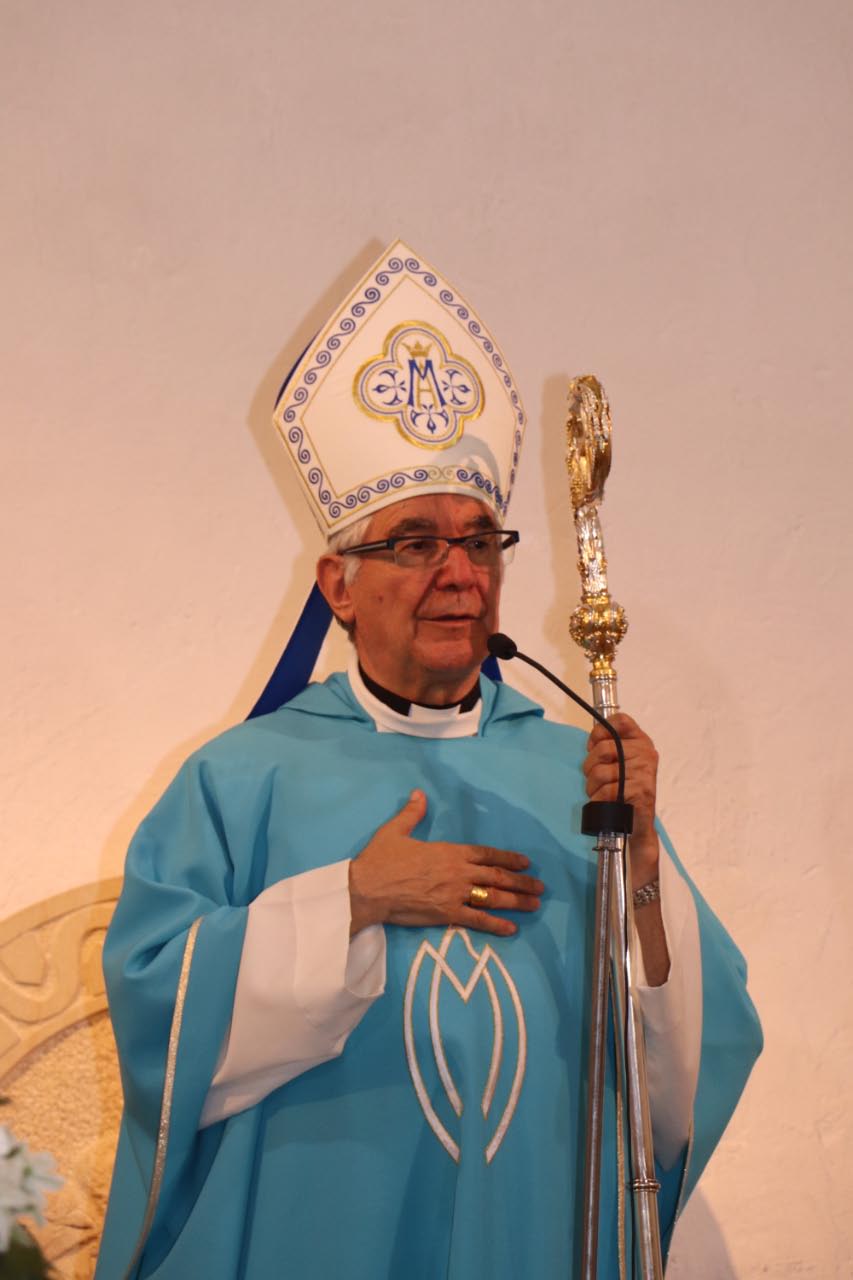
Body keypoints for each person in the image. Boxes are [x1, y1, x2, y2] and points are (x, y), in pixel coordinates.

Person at [96, 242, 762, 1279]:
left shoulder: (580, 773)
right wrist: (352, 899)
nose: (459, 574)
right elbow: (157, 1018)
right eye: (414, 543)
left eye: (481, 541)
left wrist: (639, 866)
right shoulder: (240, 778)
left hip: (536, 1223)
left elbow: (684, 1060)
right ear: (339, 585)